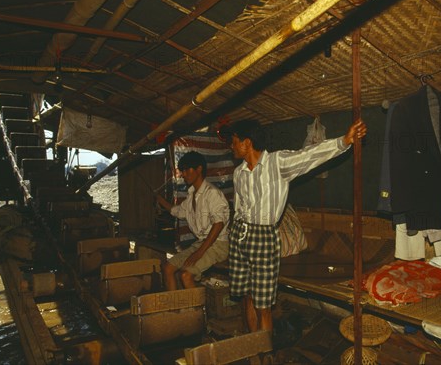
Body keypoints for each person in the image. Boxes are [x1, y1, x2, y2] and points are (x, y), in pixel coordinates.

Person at [226, 119, 367, 333]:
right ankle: (251, 351)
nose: (232, 146)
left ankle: (265, 355)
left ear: (247, 142)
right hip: (239, 235)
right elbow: (239, 208)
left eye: (234, 142)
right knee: (246, 297)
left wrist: (344, 141)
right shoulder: (239, 173)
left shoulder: (277, 163)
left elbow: (310, 155)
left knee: (262, 304)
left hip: (263, 238)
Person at [156, 151, 230, 290]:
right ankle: (177, 310)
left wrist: (199, 253)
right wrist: (161, 201)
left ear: (199, 169)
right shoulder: (191, 197)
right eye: (182, 170)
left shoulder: (212, 193)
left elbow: (218, 224)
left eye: (186, 170)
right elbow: (177, 211)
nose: (183, 174)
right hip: (202, 244)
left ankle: (196, 311)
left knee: (185, 275)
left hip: (218, 245)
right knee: (168, 268)